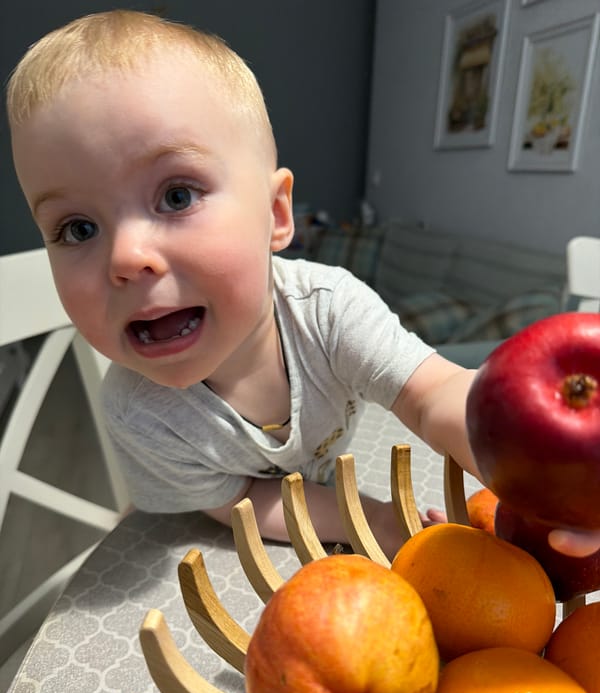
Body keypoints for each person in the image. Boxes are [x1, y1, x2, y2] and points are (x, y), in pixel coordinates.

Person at [7, 10, 599, 559]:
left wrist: (543, 468)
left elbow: (433, 393)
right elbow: (240, 499)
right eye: (76, 227)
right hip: (221, 547)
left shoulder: (330, 312)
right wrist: (373, 518)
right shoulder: (138, 412)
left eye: (177, 196)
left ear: (277, 215)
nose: (127, 256)